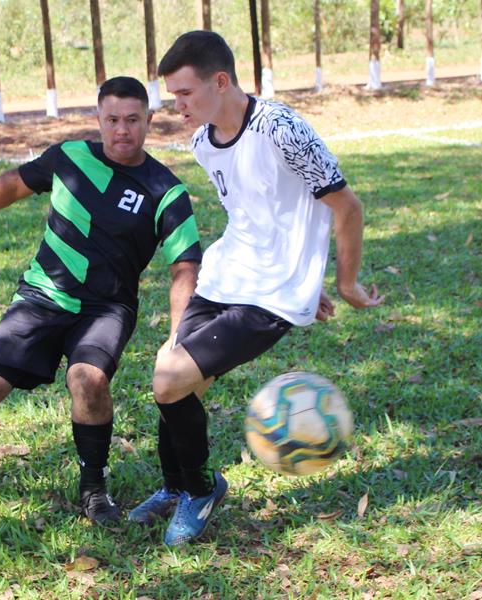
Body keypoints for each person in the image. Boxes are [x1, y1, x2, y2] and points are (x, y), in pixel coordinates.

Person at [128, 31, 384, 546]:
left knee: (169, 378)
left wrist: (341, 281)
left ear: (220, 81)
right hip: (226, 275)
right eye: (172, 95)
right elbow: (254, 213)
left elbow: (347, 209)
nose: (175, 105)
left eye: (183, 93)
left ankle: (200, 491)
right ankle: (179, 488)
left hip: (272, 295)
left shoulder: (283, 130)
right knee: (176, 385)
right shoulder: (202, 140)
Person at [0, 76, 201, 525]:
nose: (121, 130)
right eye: (112, 120)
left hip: (106, 308)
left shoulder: (166, 192)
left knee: (88, 380)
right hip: (41, 295)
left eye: (132, 120)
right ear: (98, 119)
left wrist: (179, 335)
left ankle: (94, 490)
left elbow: (184, 267)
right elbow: (16, 182)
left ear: (150, 120)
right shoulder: (69, 158)